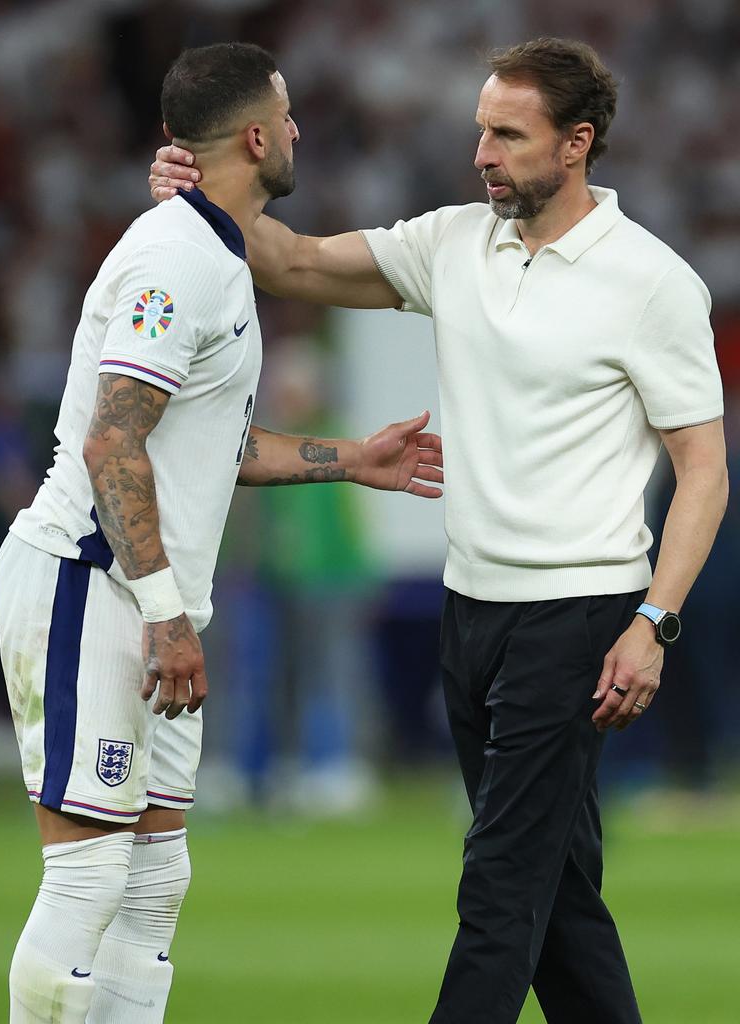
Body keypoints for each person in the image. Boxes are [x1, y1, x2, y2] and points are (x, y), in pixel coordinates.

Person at [151, 36, 728, 1024]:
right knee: (561, 900)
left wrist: (654, 619)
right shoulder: (455, 243)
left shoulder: (652, 282)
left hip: (576, 614)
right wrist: (198, 198)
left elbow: (704, 467)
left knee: (501, 884)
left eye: (508, 134)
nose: (482, 154)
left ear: (578, 143)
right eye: (479, 131)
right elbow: (287, 260)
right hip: (474, 613)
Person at [0, 42, 444, 1024]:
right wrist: (163, 612)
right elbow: (115, 439)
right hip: (89, 580)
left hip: (143, 592)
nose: (296, 131)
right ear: (253, 135)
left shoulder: (221, 260)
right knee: (86, 880)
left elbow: (211, 447)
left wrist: (350, 458)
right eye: (285, 117)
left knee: (156, 882)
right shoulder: (176, 260)